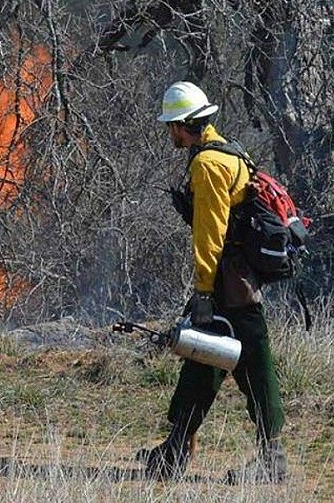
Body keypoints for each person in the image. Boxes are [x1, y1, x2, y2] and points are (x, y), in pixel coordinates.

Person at [138, 81, 287, 483]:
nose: (170, 132)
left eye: (173, 124)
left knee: (253, 363)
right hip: (239, 278)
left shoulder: (207, 165)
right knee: (202, 360)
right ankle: (175, 448)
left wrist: (204, 292)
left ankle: (272, 461)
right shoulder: (232, 151)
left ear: (186, 125)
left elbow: (209, 234)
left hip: (227, 283)